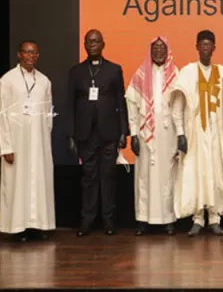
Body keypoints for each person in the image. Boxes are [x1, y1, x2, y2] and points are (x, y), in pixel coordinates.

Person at [171, 30, 223, 237]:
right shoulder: (188, 72)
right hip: (195, 133)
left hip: (218, 133)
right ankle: (198, 219)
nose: (206, 49)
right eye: (203, 45)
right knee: (197, 173)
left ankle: (215, 218)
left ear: (214, 48)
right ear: (197, 47)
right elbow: (177, 107)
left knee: (217, 174)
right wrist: (181, 134)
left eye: (210, 45)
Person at [67, 29, 129, 236]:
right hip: (85, 134)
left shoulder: (113, 69)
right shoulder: (76, 71)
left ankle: (109, 221)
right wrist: (71, 134)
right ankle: (87, 220)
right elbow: (70, 104)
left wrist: (124, 131)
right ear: (85, 45)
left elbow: (121, 101)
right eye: (89, 42)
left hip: (109, 133)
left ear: (103, 44)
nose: (92, 45)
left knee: (108, 177)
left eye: (96, 41)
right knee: (89, 178)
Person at [0, 41, 55, 242]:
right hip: (16, 141)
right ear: (19, 55)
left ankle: (39, 226)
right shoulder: (7, 80)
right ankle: (18, 228)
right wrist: (5, 146)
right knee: (18, 183)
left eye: (34, 52)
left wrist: (44, 139)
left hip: (38, 143)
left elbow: (49, 113)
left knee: (39, 182)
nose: (30, 55)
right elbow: (1, 114)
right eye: (27, 52)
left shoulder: (44, 81)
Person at [125, 37, 178, 236]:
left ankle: (167, 220)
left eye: (162, 48)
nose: (158, 51)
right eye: (154, 48)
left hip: (167, 134)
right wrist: (134, 134)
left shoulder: (175, 74)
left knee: (167, 177)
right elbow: (132, 105)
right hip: (145, 134)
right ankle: (142, 220)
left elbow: (179, 107)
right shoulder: (140, 75)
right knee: (144, 176)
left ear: (167, 51)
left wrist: (180, 134)